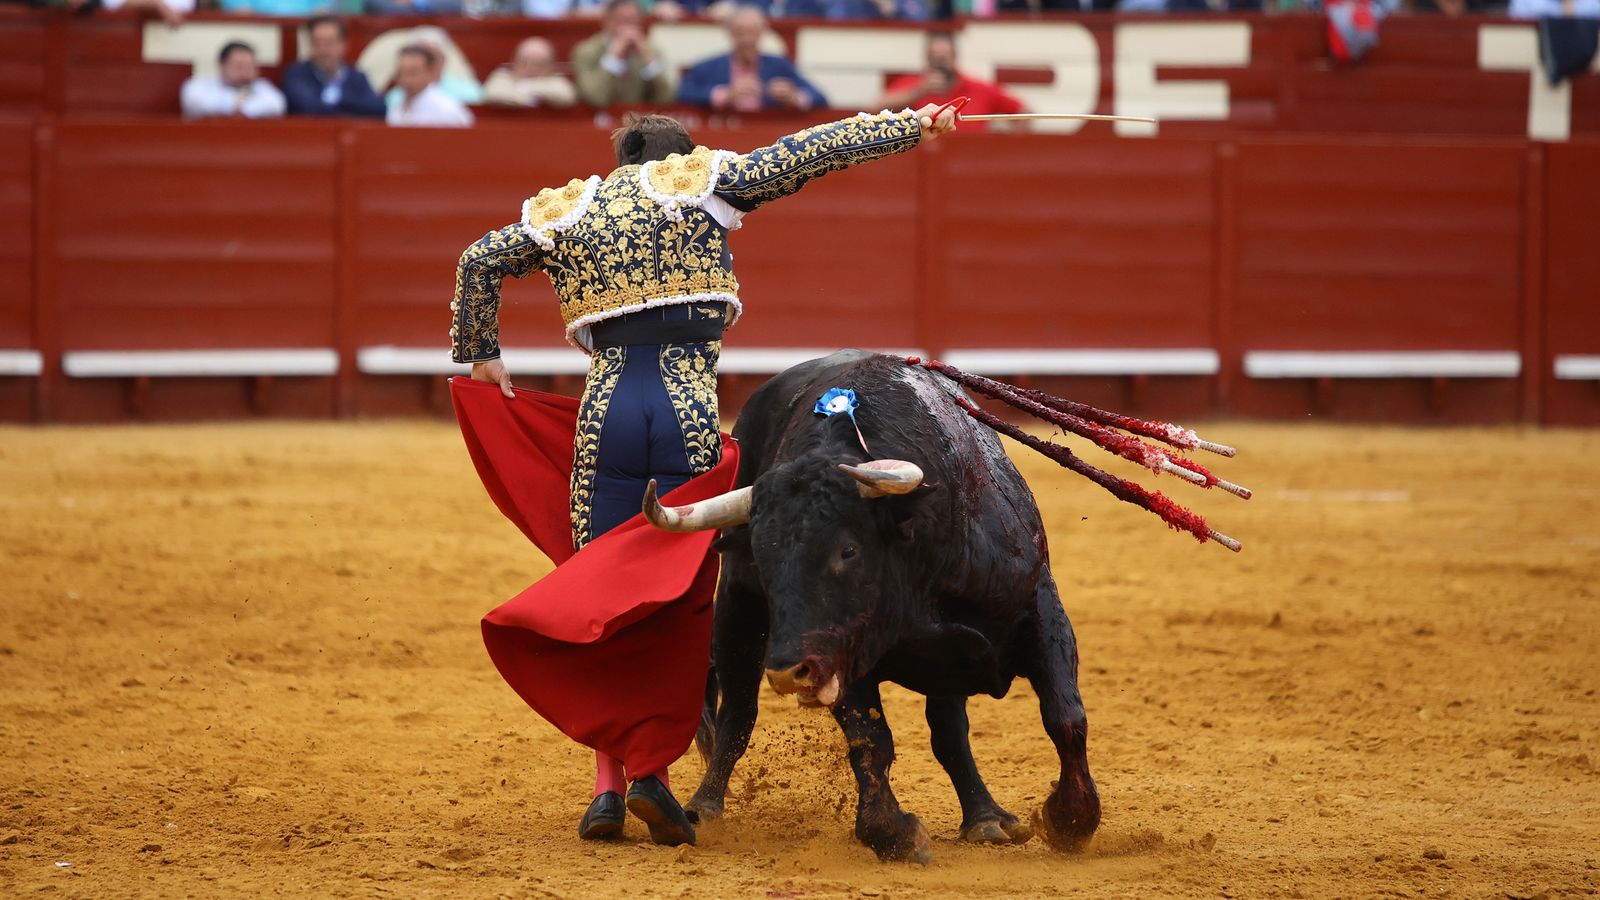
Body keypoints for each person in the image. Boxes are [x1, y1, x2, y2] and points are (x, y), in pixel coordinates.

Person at [448, 102, 960, 846]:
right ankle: (656, 771)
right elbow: (810, 152)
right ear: (680, 157)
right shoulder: (700, 182)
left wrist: (482, 351)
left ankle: (609, 788)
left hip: (606, 418)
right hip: (686, 413)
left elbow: (477, 260)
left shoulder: (572, 208)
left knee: (607, 594)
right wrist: (913, 125)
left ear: (624, 161)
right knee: (682, 600)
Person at [677, 6, 827, 112]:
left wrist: (795, 97)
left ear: (761, 33)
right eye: (740, 32)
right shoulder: (709, 66)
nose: (747, 39)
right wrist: (725, 95)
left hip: (767, 135)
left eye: (752, 32)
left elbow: (820, 98)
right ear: (730, 34)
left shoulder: (779, 65)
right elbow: (682, 94)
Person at [878, 31, 1022, 126]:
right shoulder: (915, 85)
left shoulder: (978, 88)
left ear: (954, 57)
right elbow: (876, 108)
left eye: (944, 57)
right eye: (935, 57)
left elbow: (1020, 111)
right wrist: (917, 92)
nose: (940, 63)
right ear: (927, 59)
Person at [571, 0, 676, 108]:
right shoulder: (586, 52)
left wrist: (649, 60)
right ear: (607, 21)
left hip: (640, 120)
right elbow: (595, 98)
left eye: (633, 21)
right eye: (622, 21)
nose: (628, 28)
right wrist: (612, 58)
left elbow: (666, 98)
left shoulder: (651, 51)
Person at [282, 16, 387, 118]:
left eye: (329, 43)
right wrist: (353, 109)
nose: (323, 50)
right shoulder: (297, 75)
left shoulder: (357, 77)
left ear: (343, 45)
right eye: (317, 43)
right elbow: (308, 107)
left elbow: (378, 108)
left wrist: (337, 100)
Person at [180, 41, 287, 121]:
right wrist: (235, 103)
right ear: (222, 66)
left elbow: (276, 105)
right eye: (239, 66)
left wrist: (241, 109)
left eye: (250, 67)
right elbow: (197, 103)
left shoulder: (262, 86)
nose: (245, 72)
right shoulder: (199, 84)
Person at [388, 44, 475, 127]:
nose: (406, 79)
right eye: (401, 72)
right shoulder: (396, 105)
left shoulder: (446, 110)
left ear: (430, 73)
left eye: (412, 72)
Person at [483, 37, 579, 108]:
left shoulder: (555, 79)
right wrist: (525, 99)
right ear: (515, 61)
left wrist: (530, 88)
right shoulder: (503, 76)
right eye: (525, 62)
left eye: (539, 63)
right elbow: (492, 94)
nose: (531, 68)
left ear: (550, 66)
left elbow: (566, 96)